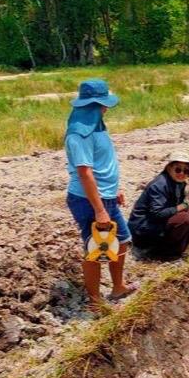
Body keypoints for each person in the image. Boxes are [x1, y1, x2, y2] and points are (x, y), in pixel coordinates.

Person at [64, 78, 137, 307]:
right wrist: (99, 209)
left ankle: (118, 287)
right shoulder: (79, 134)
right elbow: (85, 173)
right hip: (88, 201)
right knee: (94, 250)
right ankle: (95, 302)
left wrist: (114, 190)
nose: (106, 108)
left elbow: (103, 163)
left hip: (106, 196)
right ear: (96, 104)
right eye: (104, 103)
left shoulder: (96, 125)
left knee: (122, 240)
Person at [128, 153, 189, 260]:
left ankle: (175, 253)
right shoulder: (159, 185)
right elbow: (157, 213)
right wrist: (183, 206)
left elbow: (179, 206)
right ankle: (157, 253)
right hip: (143, 229)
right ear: (169, 168)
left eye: (186, 171)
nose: (182, 173)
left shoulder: (179, 183)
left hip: (155, 225)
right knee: (183, 219)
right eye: (178, 169)